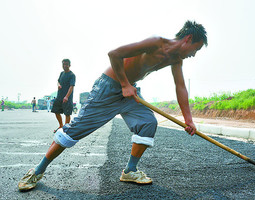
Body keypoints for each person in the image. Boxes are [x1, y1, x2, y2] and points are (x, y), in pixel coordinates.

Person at [18, 20, 207, 191]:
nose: (193, 54)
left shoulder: (176, 59)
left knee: (148, 122)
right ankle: (37, 170)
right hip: (108, 88)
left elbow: (180, 87)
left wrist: (188, 120)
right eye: (195, 49)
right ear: (188, 39)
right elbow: (114, 54)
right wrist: (124, 84)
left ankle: (130, 171)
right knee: (73, 131)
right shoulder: (156, 43)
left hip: (129, 92)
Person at [51, 59, 76, 133]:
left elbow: (71, 86)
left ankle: (66, 128)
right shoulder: (61, 73)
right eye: (63, 64)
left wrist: (67, 97)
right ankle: (61, 125)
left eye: (66, 64)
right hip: (59, 96)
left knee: (67, 113)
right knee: (56, 111)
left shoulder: (72, 75)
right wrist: (59, 85)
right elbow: (58, 81)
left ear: (69, 65)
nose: (65, 66)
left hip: (67, 98)